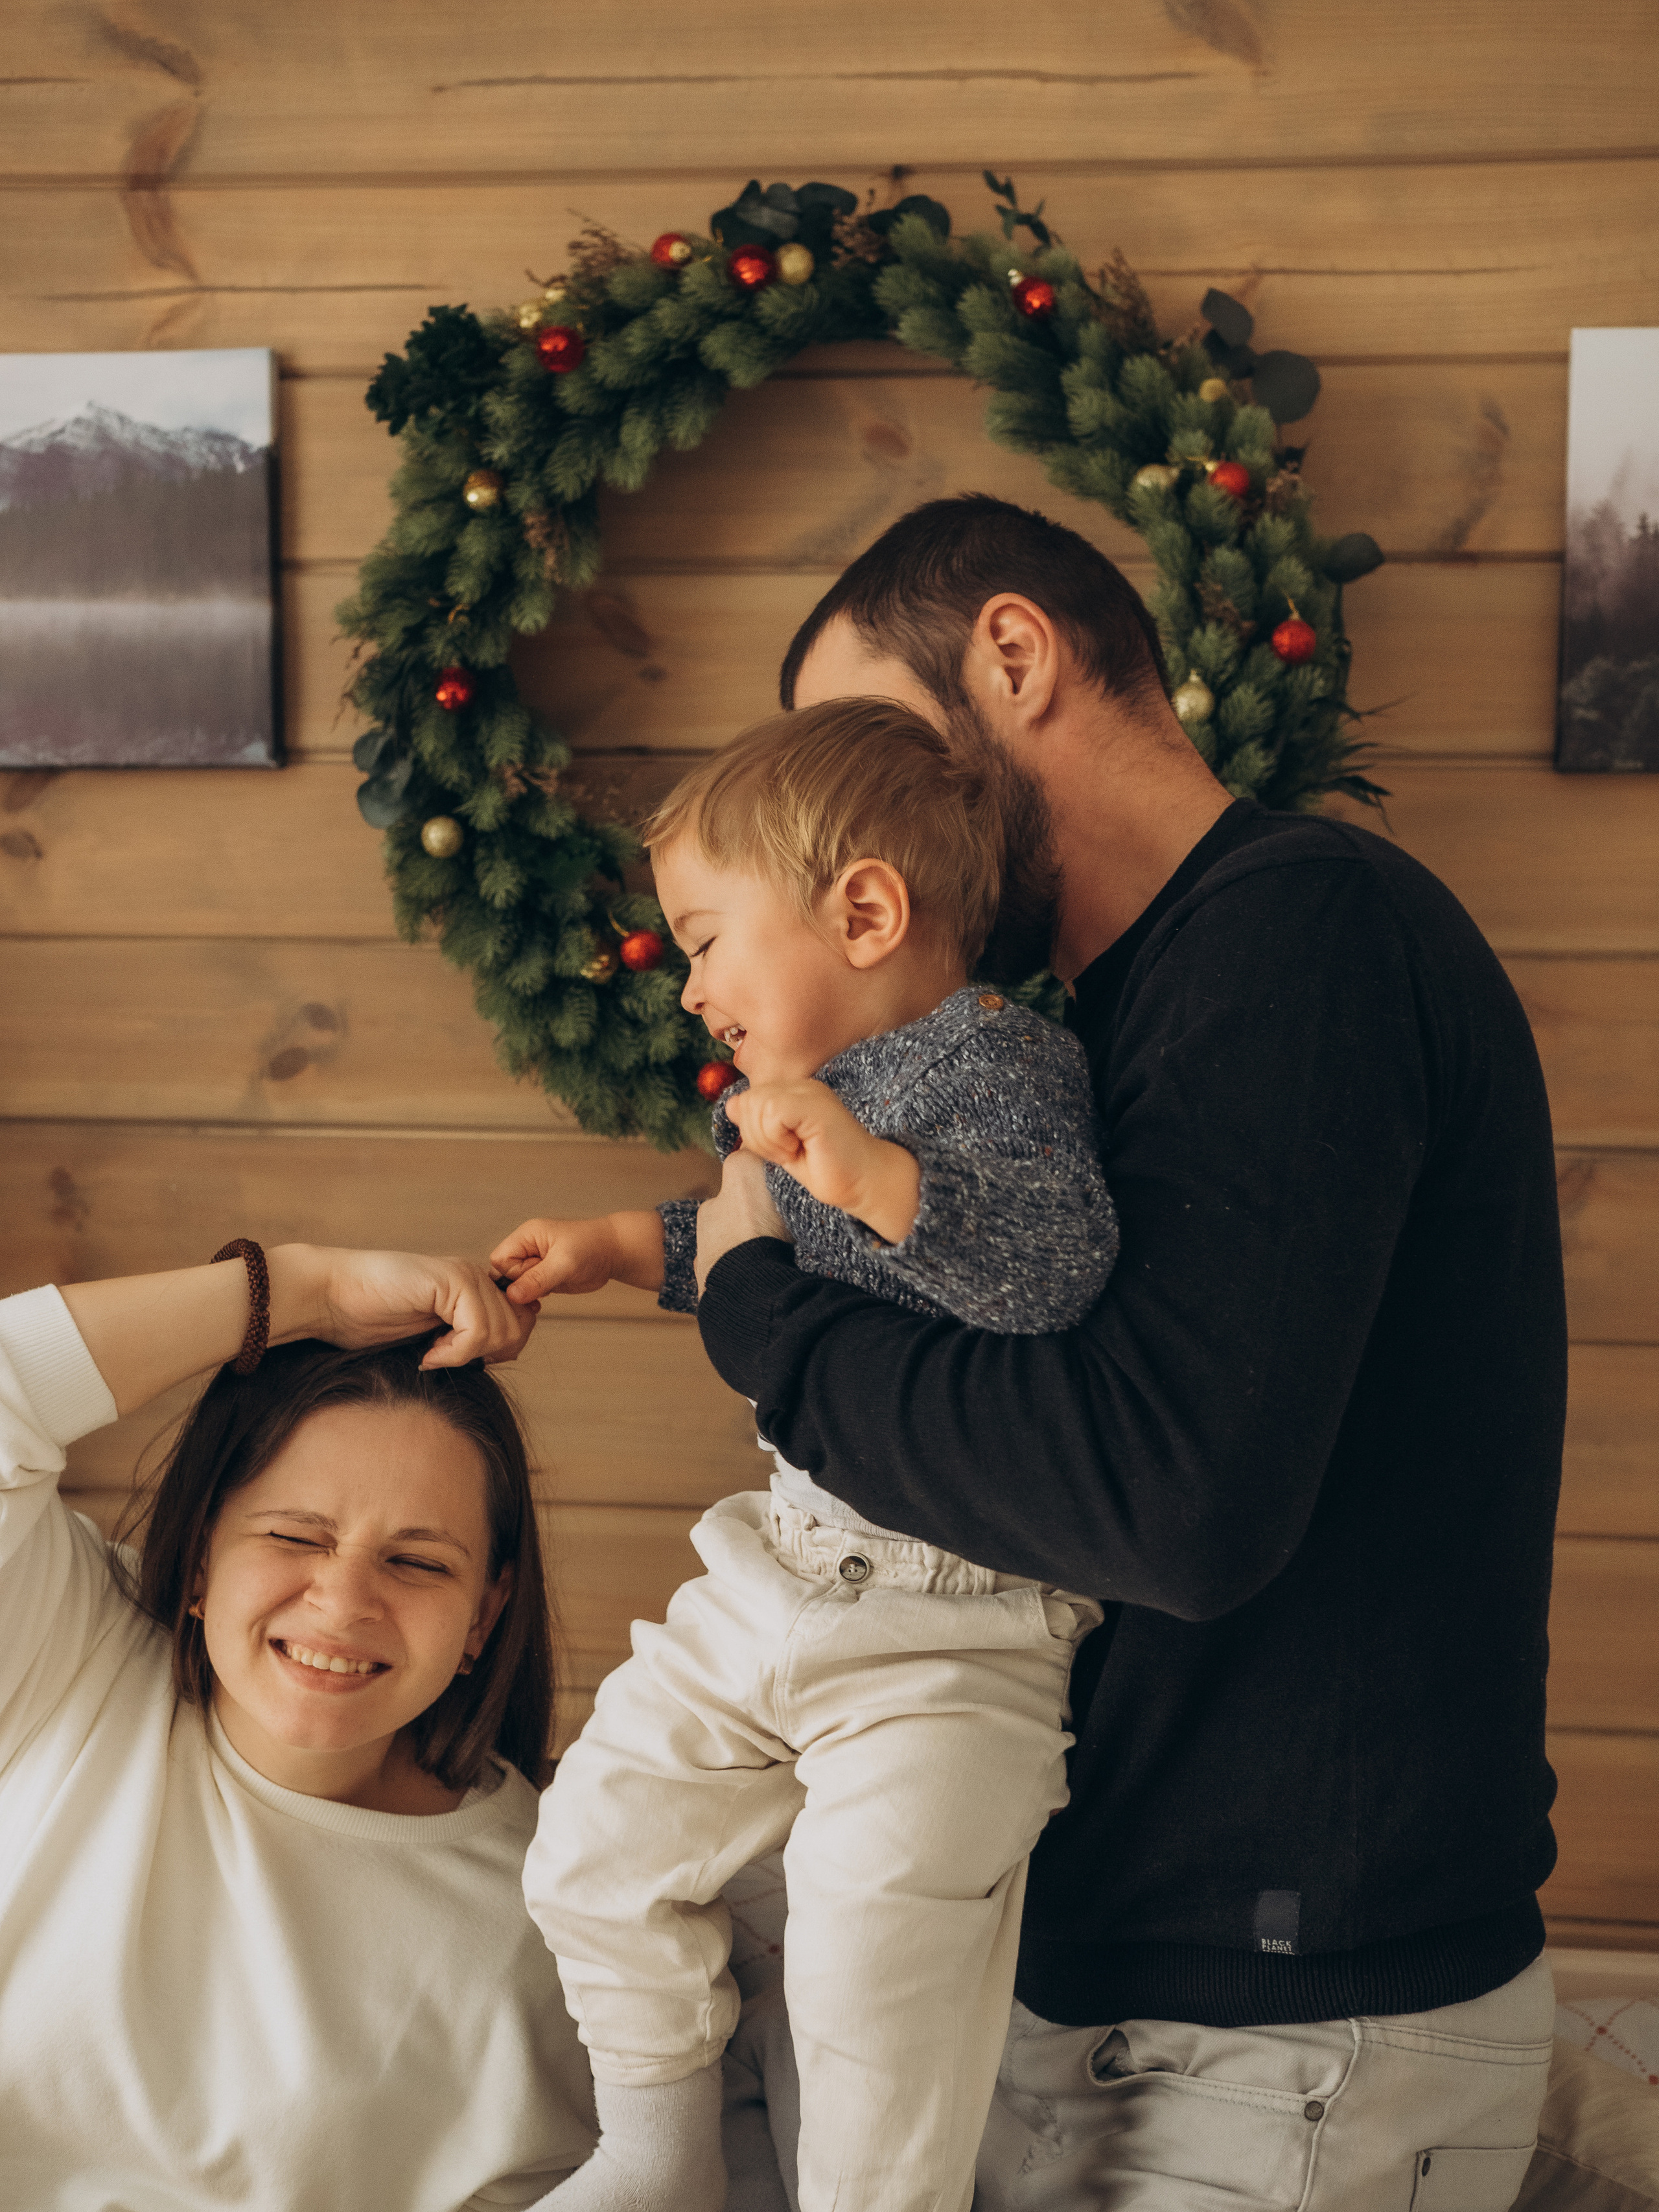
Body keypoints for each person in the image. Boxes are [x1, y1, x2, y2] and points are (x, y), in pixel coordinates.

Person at [688, 495, 1566, 2208]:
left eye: (882, 738)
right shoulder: (1077, 1031)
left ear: (1016, 655)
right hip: (1135, 1991)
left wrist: (762, 1315)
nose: (870, 817)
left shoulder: (1300, 934)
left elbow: (1169, 1496)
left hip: (1288, 2030)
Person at [491, 700, 1116, 2212]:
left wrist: (875, 1175)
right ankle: (657, 2161)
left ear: (864, 910)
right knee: (590, 1841)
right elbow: (750, 1244)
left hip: (955, 1629)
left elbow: (1058, 1270)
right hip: (777, 1570)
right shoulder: (790, 1107)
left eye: (705, 939)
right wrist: (611, 1246)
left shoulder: (995, 1066)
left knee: (870, 1970)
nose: (690, 987)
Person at [0, 1241, 609, 2211]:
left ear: (483, 1618)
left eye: (418, 1562)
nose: (343, 1602)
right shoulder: (65, 1649)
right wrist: (299, 1288)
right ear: (201, 1553)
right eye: (294, 1536)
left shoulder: (543, 1924)